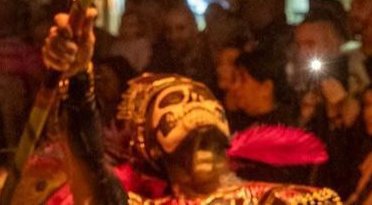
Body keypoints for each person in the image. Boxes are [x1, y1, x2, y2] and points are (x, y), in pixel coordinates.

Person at [39, 10, 341, 204]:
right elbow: (91, 167)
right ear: (155, 149)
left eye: (210, 141)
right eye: (191, 145)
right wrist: (77, 76)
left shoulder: (268, 200)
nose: (204, 152)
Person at [227, 47, 299, 133]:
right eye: (234, 79)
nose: (234, 87)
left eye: (243, 80)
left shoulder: (278, 132)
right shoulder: (244, 123)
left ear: (266, 88)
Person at [147, 5, 217, 92]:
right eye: (169, 30)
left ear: (194, 27)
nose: (174, 36)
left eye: (181, 29)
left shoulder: (210, 56)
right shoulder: (161, 57)